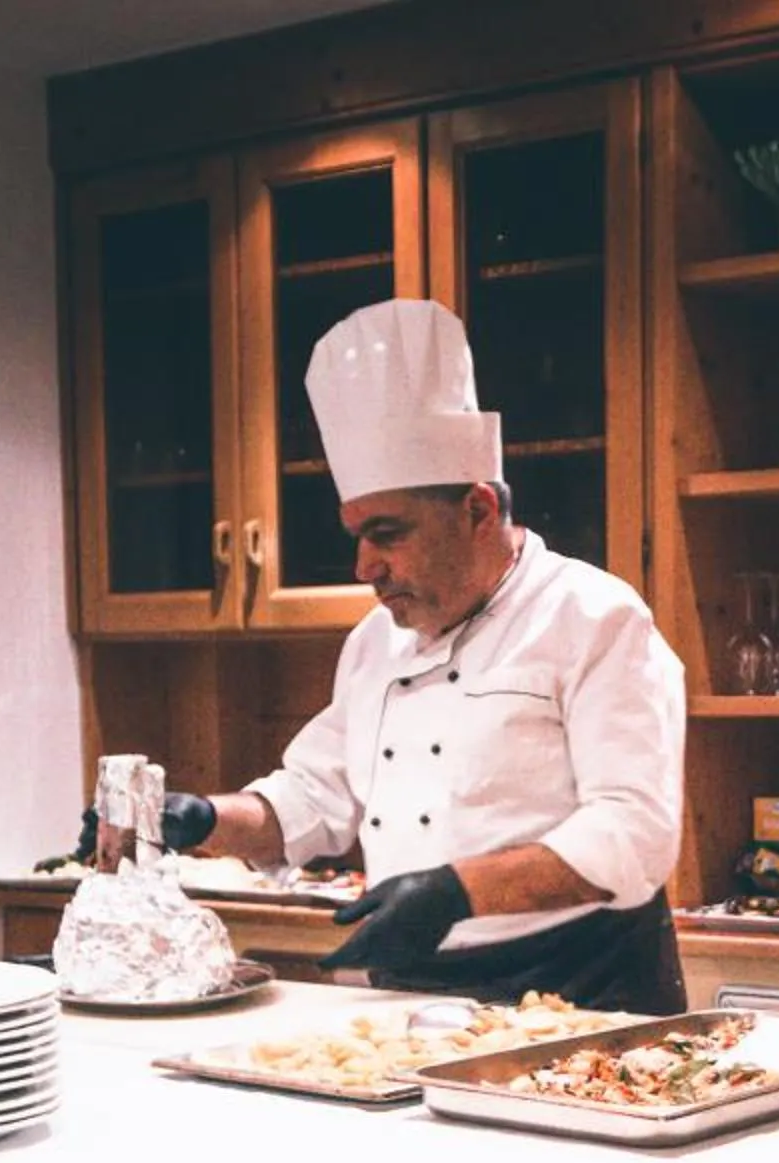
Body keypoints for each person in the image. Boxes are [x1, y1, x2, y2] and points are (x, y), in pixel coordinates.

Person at [105, 299, 689, 1013]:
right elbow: (313, 798)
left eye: (387, 533)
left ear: (477, 510)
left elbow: (635, 834)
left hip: (582, 992)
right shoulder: (375, 642)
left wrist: (456, 892)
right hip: (411, 993)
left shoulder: (594, 617)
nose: (364, 566)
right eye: (356, 535)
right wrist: (197, 819)